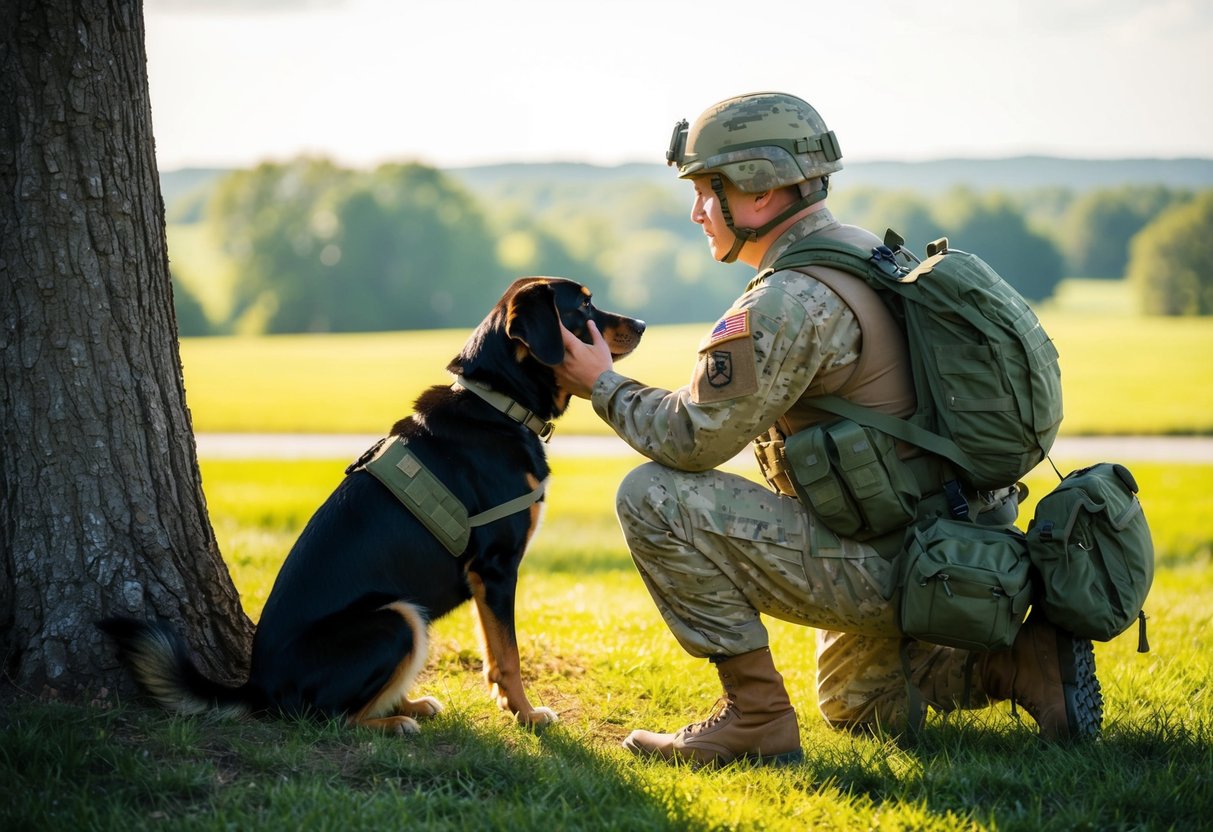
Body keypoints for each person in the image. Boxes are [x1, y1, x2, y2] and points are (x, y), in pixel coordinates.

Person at [552, 91, 1103, 767]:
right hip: (952, 541)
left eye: (705, 190)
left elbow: (687, 440)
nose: (696, 211)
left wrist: (599, 383)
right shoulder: (865, 251)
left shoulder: (788, 299)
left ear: (755, 188)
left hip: (898, 557)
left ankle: (753, 718)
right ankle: (1021, 663)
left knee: (651, 496)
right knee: (858, 711)